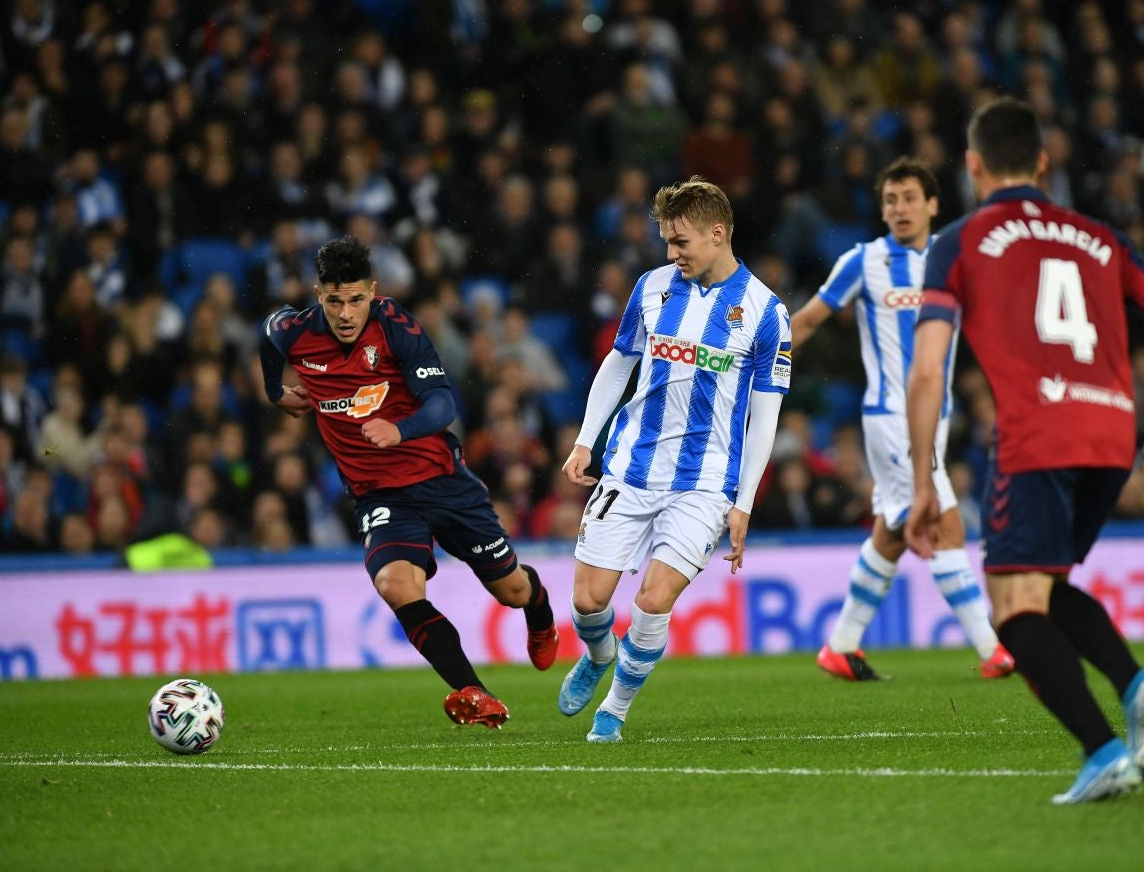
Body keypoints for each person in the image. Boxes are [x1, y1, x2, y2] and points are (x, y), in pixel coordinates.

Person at [906, 98, 1144, 803]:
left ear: (973, 164)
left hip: (1037, 433)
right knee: (1046, 586)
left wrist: (923, 479)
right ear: (1043, 162)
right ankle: (1137, 686)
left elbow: (926, 370)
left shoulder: (960, 240)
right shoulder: (1096, 234)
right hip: (1110, 435)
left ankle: (1102, 752)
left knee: (1012, 609)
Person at [259, 235, 558, 729]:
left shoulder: (395, 325)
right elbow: (268, 336)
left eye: (357, 299)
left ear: (372, 291)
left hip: (441, 479)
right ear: (318, 295)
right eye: (335, 301)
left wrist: (399, 429)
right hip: (380, 494)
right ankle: (475, 693)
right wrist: (276, 392)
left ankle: (539, 603)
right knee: (396, 585)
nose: (347, 313)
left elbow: (442, 403)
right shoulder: (294, 331)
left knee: (511, 591)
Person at [559, 177, 791, 742]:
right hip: (631, 468)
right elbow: (619, 363)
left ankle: (614, 709)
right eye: (666, 241)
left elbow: (766, 416)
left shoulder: (765, 312)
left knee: (653, 597)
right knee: (589, 601)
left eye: (680, 241)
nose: (671, 253)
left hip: (706, 481)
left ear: (717, 233)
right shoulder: (653, 287)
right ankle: (597, 654)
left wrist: (744, 502)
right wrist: (586, 438)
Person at [790, 157, 1014, 682]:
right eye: (891, 200)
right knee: (944, 523)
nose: (900, 208)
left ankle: (841, 646)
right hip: (891, 417)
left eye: (910, 198)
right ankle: (993, 650)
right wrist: (755, 368)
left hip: (938, 417)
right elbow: (807, 320)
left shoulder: (953, 260)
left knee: (894, 531)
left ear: (933, 204)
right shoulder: (862, 261)